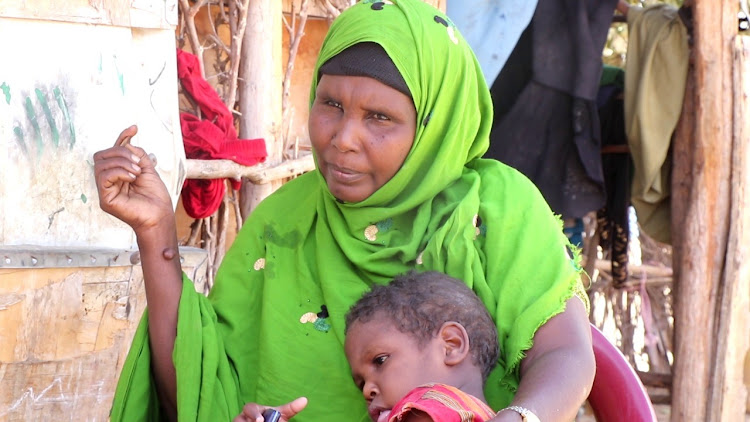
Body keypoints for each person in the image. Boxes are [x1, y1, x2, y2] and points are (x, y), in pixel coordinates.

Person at [94, 1, 595, 421]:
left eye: (379, 117)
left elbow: (565, 354)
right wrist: (156, 230)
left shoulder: (494, 208)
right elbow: (198, 396)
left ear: (433, 127)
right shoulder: (286, 223)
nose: (342, 139)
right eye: (329, 104)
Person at [344, 271, 499, 422]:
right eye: (361, 383)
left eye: (380, 360)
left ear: (451, 346)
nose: (367, 391)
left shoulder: (428, 410)